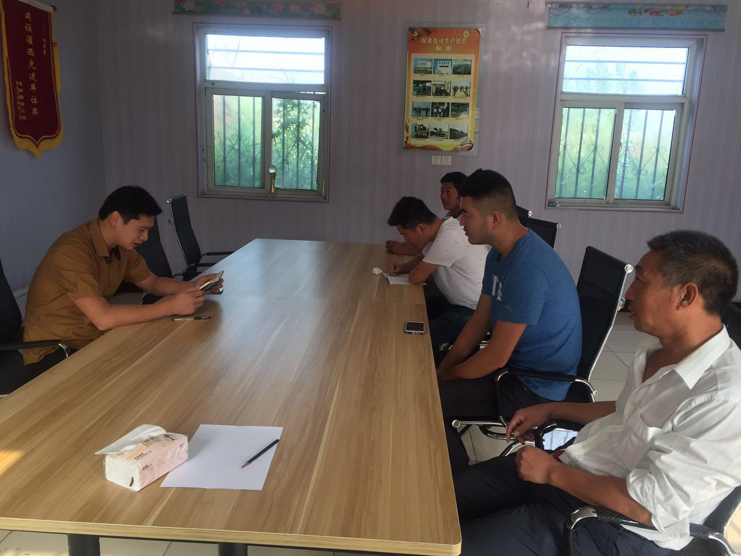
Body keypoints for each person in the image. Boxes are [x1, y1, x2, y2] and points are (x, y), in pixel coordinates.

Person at [454, 229, 741, 556]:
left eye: (641, 281)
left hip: (614, 527)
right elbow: (625, 411)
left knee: (449, 547)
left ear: (686, 296)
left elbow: (650, 508)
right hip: (573, 476)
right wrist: (550, 409)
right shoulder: (658, 350)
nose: (628, 294)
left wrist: (551, 472)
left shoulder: (724, 398)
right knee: (441, 500)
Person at [437, 169, 581, 472]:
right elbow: (479, 322)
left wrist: (441, 380)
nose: (460, 222)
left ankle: (455, 484)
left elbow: (494, 357)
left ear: (494, 219)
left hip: (534, 387)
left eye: (467, 214)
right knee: (429, 371)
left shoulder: (527, 268)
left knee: (429, 400)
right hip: (514, 368)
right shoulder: (498, 255)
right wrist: (442, 370)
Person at [22, 186, 223, 374]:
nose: (145, 237)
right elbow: (104, 318)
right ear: (115, 219)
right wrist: (170, 307)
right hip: (55, 352)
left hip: (89, 339)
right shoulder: (71, 252)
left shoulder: (120, 247)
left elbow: (152, 283)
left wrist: (192, 286)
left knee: (161, 359)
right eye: (141, 230)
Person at [386, 197, 487, 349]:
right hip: (456, 303)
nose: (405, 241)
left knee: (413, 338)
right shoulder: (443, 226)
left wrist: (408, 271)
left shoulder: (449, 235)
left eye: (404, 235)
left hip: (473, 312)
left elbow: (416, 278)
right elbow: (421, 258)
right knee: (407, 316)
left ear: (420, 228)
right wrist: (400, 269)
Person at [385, 172, 467, 256]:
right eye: (442, 191)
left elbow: (437, 248)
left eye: (448, 192)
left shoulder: (464, 221)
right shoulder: (450, 216)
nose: (443, 196)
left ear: (462, 193)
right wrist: (408, 243)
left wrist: (402, 249)